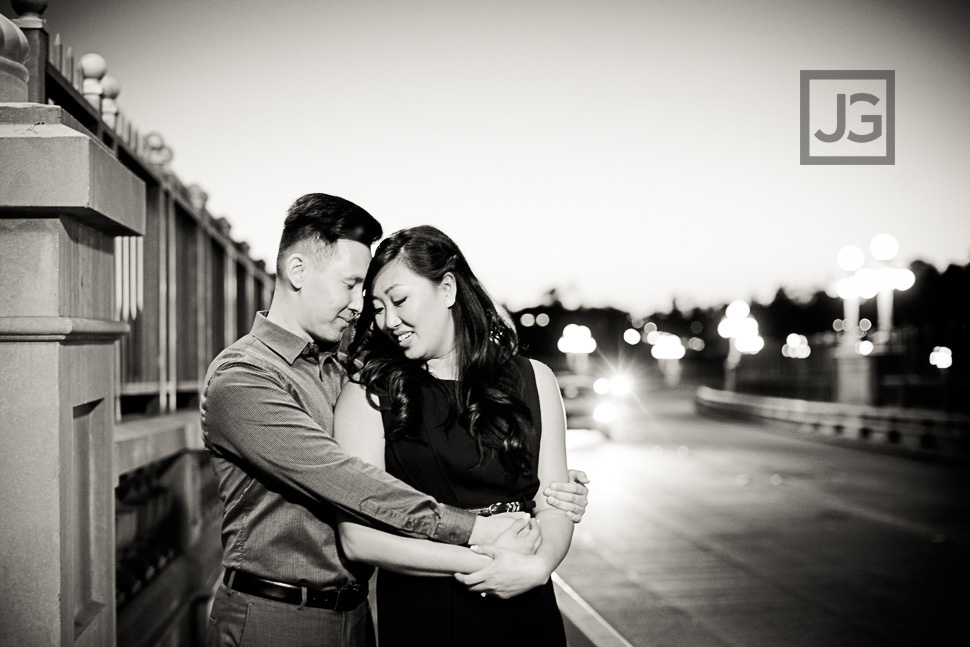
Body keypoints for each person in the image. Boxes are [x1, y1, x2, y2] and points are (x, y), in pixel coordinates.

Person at [201, 194, 589, 647]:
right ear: (297, 271)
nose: (359, 308)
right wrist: (481, 530)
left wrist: (547, 486)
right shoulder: (244, 378)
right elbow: (350, 482)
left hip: (355, 612)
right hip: (278, 614)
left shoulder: (345, 366)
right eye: (351, 286)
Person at [333, 225, 576, 646]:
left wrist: (539, 568)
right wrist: (481, 560)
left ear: (447, 289)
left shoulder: (535, 379)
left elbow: (554, 504)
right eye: (377, 307)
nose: (389, 321)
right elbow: (359, 538)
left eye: (400, 299)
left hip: (524, 603)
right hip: (425, 613)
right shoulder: (368, 395)